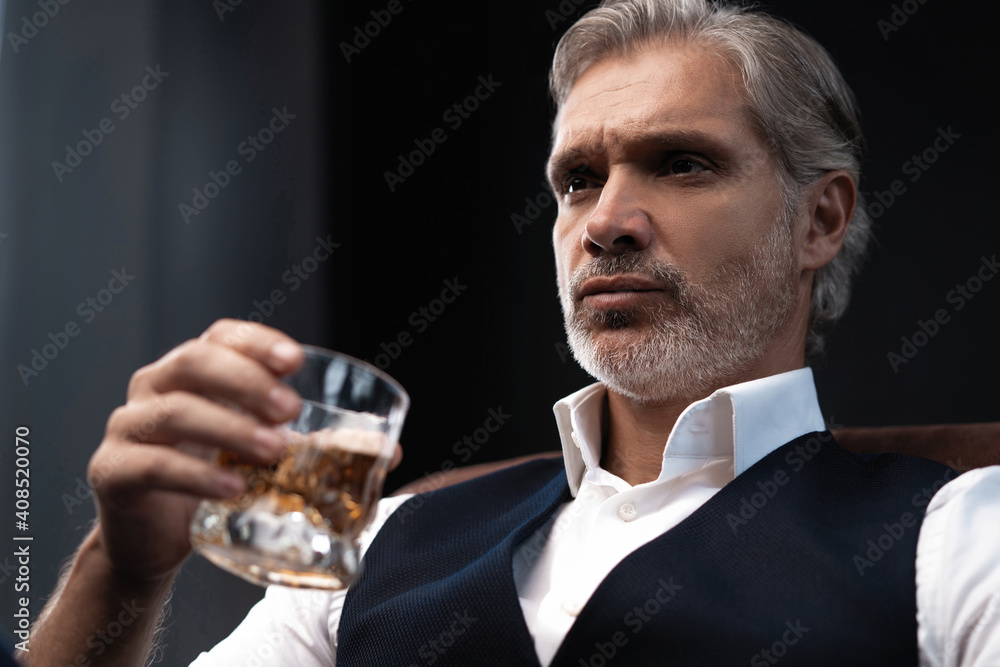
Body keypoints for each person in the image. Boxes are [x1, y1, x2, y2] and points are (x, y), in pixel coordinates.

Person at [22, 0, 1000, 665]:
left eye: (681, 163)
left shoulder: (961, 536)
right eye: (578, 178)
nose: (606, 221)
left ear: (819, 220)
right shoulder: (387, 535)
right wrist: (123, 566)